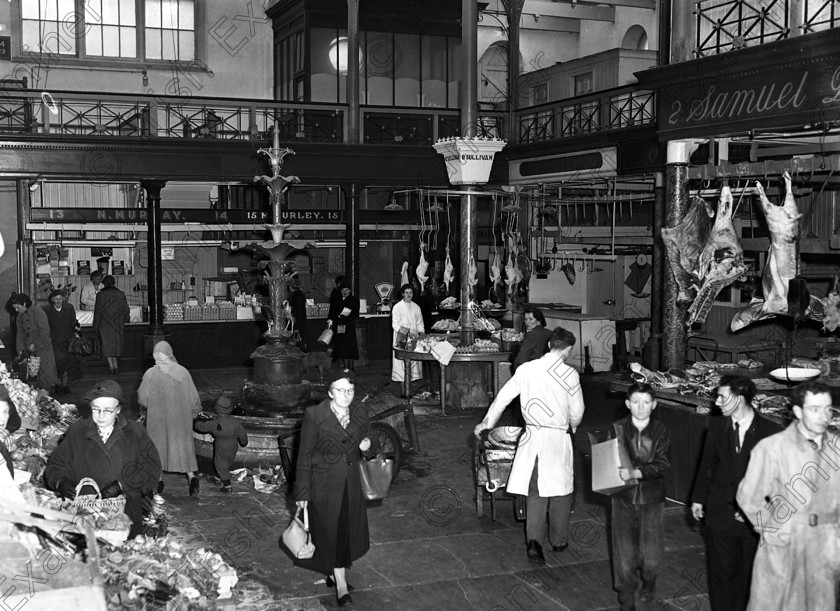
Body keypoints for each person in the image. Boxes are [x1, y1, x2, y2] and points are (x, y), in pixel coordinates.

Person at [474, 327, 584, 563]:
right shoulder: (570, 374)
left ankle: (534, 542)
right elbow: (578, 412)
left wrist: (486, 423)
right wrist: (570, 426)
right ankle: (559, 541)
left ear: (549, 345)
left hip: (533, 438)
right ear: (568, 349)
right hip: (557, 438)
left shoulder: (526, 370)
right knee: (561, 492)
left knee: (536, 493)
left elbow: (502, 398)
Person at [736, 380, 840, 610]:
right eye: (815, 409)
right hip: (785, 543)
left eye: (828, 409)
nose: (824, 416)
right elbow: (748, 497)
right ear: (797, 411)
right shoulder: (773, 448)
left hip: (825, 544)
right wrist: (772, 528)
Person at [690, 375, 781, 611]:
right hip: (719, 511)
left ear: (739, 399)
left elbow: (780, 480)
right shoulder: (716, 426)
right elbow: (706, 464)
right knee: (721, 573)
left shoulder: (771, 431)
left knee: (751, 575)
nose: (717, 402)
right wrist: (698, 498)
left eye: (721, 396)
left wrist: (763, 509)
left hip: (754, 519)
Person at [294, 369, 379, 607]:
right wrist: (302, 492)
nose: (346, 395)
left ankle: (335, 573)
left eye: (350, 391)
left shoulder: (359, 412)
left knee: (344, 531)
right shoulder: (314, 415)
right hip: (322, 486)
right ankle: (341, 584)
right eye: (340, 390)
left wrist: (368, 445)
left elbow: (374, 441)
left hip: (351, 485)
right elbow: (305, 456)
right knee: (331, 532)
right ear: (330, 392)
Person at [44, 379, 161, 539]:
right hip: (85, 514)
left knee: (124, 556)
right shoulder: (77, 431)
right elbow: (56, 465)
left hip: (126, 514)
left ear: (118, 410)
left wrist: (121, 485)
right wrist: (61, 482)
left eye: (107, 410)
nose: (100, 416)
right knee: (92, 556)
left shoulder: (135, 432)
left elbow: (150, 468)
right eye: (96, 409)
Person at [609, 382, 671, 611]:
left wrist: (638, 472)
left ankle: (650, 581)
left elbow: (663, 464)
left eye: (646, 402)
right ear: (627, 404)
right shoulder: (617, 428)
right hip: (622, 497)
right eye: (635, 402)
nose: (641, 407)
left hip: (651, 497)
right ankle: (626, 598)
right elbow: (608, 460)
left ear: (654, 405)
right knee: (624, 551)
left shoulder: (661, 431)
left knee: (651, 554)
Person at [138, 341, 202, 496]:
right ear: (170, 353)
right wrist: (194, 412)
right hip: (181, 419)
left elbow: (142, 398)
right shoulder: (183, 372)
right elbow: (194, 398)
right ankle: (192, 477)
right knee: (183, 448)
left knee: (158, 448)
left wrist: (154, 406)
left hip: (158, 420)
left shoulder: (150, 374)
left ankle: (158, 481)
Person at [193, 395, 248, 493]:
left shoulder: (216, 423)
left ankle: (227, 485)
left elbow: (202, 427)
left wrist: (194, 421)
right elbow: (242, 434)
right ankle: (220, 477)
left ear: (216, 409)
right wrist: (244, 442)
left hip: (221, 446)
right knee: (227, 462)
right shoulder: (236, 422)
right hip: (233, 445)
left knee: (219, 464)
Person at [10, 292, 59, 392]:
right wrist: (20, 349)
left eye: (18, 307)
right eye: (14, 308)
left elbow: (45, 331)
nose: (16, 310)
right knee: (31, 377)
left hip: (43, 348)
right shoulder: (19, 316)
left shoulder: (37, 312)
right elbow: (19, 335)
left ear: (24, 304)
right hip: (28, 350)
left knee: (46, 376)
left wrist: (35, 344)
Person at [43, 289, 80, 395]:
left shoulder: (69, 308)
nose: (58, 301)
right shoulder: (46, 310)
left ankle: (65, 385)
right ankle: (58, 385)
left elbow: (73, 320)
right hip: (54, 340)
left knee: (67, 363)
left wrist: (76, 325)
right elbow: (45, 326)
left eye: (60, 299)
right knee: (57, 364)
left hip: (67, 340)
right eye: (56, 299)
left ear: (63, 299)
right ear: (52, 300)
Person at [93, 275, 129, 375]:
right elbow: (126, 309)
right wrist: (126, 320)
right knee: (115, 345)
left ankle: (111, 367)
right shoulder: (121, 294)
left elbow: (97, 311)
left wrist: (95, 326)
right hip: (118, 325)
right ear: (114, 283)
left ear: (104, 284)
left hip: (104, 325)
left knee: (107, 346)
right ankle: (116, 367)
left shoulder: (100, 295)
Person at [391, 283, 424, 384]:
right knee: (401, 362)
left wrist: (421, 333)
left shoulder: (416, 307)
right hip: (401, 337)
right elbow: (395, 324)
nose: (409, 295)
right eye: (406, 293)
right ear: (402, 294)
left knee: (413, 361)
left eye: (411, 293)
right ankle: (403, 388)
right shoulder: (397, 307)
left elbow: (420, 322)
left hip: (414, 338)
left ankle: (410, 386)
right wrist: (407, 332)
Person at [328, 283, 359, 371]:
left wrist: (347, 315)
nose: (344, 292)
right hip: (339, 325)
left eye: (346, 290)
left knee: (351, 346)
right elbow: (332, 311)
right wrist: (331, 319)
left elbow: (356, 314)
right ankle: (346, 367)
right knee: (343, 346)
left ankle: (351, 367)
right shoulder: (337, 299)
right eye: (342, 290)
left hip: (349, 325)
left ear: (350, 291)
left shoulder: (354, 299)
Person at [289, 275, 308, 351]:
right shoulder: (298, 295)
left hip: (298, 324)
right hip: (299, 323)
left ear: (291, 287)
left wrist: (296, 327)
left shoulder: (297, 297)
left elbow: (299, 313)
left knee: (298, 343)